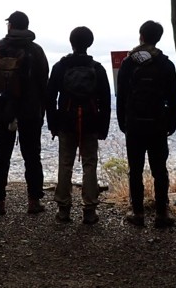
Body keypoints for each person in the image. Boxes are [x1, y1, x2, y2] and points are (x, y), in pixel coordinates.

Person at [0, 11, 49, 215]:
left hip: (3, 110)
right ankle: (33, 201)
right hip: (30, 112)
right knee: (32, 156)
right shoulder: (36, 50)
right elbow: (44, 82)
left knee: (1, 156)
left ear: (10, 26)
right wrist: (42, 110)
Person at [116, 20, 176, 228]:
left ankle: (138, 212)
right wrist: (171, 122)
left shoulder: (128, 62)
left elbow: (121, 94)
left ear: (140, 35)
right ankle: (162, 213)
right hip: (157, 123)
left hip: (134, 122)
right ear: (158, 38)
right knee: (159, 169)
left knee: (135, 169)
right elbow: (173, 97)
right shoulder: (166, 64)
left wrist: (123, 120)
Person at [46, 26, 111, 224]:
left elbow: (49, 97)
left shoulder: (61, 67)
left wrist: (53, 123)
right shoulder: (97, 68)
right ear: (89, 43)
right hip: (91, 121)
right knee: (89, 164)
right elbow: (106, 101)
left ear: (71, 42)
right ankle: (89, 210)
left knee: (65, 163)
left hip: (66, 119)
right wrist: (103, 127)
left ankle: (63, 209)